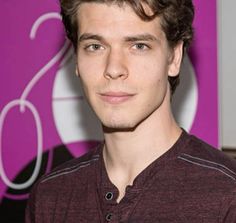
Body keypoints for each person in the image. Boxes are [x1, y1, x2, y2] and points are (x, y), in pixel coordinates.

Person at [26, 0, 236, 222]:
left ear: (174, 57)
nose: (113, 69)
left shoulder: (226, 195)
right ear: (76, 58)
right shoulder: (50, 196)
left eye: (139, 46)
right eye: (95, 47)